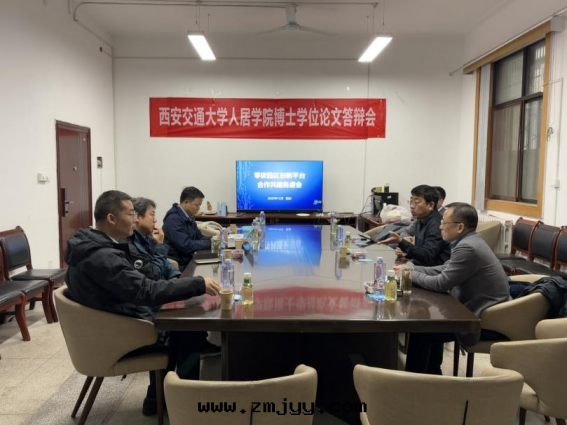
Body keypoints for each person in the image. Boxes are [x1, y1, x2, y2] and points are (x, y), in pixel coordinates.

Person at [65, 190, 221, 415]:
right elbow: (146, 290)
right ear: (112, 218)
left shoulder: (94, 245)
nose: (135, 219)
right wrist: (197, 284)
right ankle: (187, 404)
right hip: (120, 334)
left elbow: (144, 281)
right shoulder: (102, 257)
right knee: (189, 330)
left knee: (183, 320)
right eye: (131, 214)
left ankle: (157, 397)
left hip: (112, 323)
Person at [400, 202, 510, 374]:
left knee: (422, 330)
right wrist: (411, 269)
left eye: (444, 222)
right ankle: (432, 373)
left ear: (460, 227)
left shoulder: (468, 247)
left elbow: (441, 283)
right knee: (428, 325)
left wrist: (409, 275)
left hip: (485, 322)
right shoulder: (469, 241)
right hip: (477, 311)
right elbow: (445, 268)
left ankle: (415, 381)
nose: (440, 226)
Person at [381, 185, 450, 266]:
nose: (412, 206)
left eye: (416, 202)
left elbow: (427, 256)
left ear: (431, 205)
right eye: (411, 202)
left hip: (433, 270)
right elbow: (420, 252)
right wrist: (405, 253)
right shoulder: (420, 219)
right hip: (420, 266)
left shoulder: (437, 225)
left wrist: (401, 241)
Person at [163, 186, 211, 271]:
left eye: (199, 205)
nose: (198, 208)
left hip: (190, 259)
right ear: (186, 202)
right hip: (180, 264)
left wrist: (214, 239)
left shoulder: (188, 217)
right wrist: (210, 243)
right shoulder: (173, 219)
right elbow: (186, 245)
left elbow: (199, 237)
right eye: (196, 205)